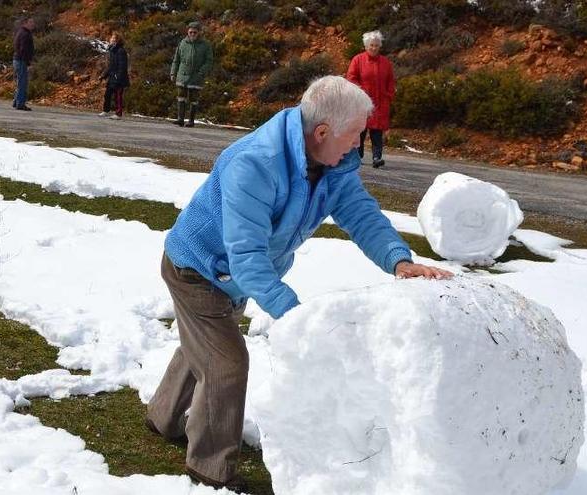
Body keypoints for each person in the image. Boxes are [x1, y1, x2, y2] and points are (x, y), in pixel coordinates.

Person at [146, 76, 452, 492]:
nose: (356, 145)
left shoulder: (335, 163)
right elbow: (246, 255)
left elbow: (360, 213)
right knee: (226, 365)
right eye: (353, 135)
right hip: (199, 268)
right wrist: (296, 315)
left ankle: (161, 417)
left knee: (202, 345)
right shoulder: (253, 164)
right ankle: (210, 468)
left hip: (235, 277)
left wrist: (399, 261)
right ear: (322, 131)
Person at [346, 30, 395, 168]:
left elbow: (391, 81)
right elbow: (351, 78)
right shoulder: (357, 60)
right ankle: (357, 156)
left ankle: (376, 157)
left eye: (376, 45)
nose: (374, 48)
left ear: (379, 46)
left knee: (377, 132)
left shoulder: (386, 63)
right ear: (366, 46)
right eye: (371, 45)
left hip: (380, 103)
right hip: (362, 102)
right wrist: (360, 92)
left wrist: (389, 95)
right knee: (360, 131)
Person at [170, 21, 213, 128]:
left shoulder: (205, 45)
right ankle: (180, 119)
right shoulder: (183, 43)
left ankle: (191, 121)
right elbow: (176, 59)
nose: (192, 34)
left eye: (195, 32)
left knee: (194, 99)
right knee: (181, 96)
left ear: (199, 33)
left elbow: (209, 61)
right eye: (190, 32)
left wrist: (202, 72)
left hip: (196, 76)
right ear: (187, 32)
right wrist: (173, 73)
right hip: (182, 74)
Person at [99, 32, 129, 119]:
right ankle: (106, 110)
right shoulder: (112, 51)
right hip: (112, 76)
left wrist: (118, 76)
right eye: (111, 38)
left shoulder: (121, 51)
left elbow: (122, 66)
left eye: (113, 38)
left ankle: (118, 114)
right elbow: (110, 66)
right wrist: (103, 75)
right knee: (107, 94)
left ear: (117, 40)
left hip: (119, 78)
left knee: (118, 96)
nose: (111, 39)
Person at [12, 17, 35, 111]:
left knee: (19, 81)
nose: (33, 24)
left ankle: (16, 101)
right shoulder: (25, 34)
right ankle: (20, 104)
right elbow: (23, 50)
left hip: (18, 60)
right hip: (21, 61)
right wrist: (28, 62)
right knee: (22, 83)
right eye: (31, 22)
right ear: (25, 23)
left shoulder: (21, 32)